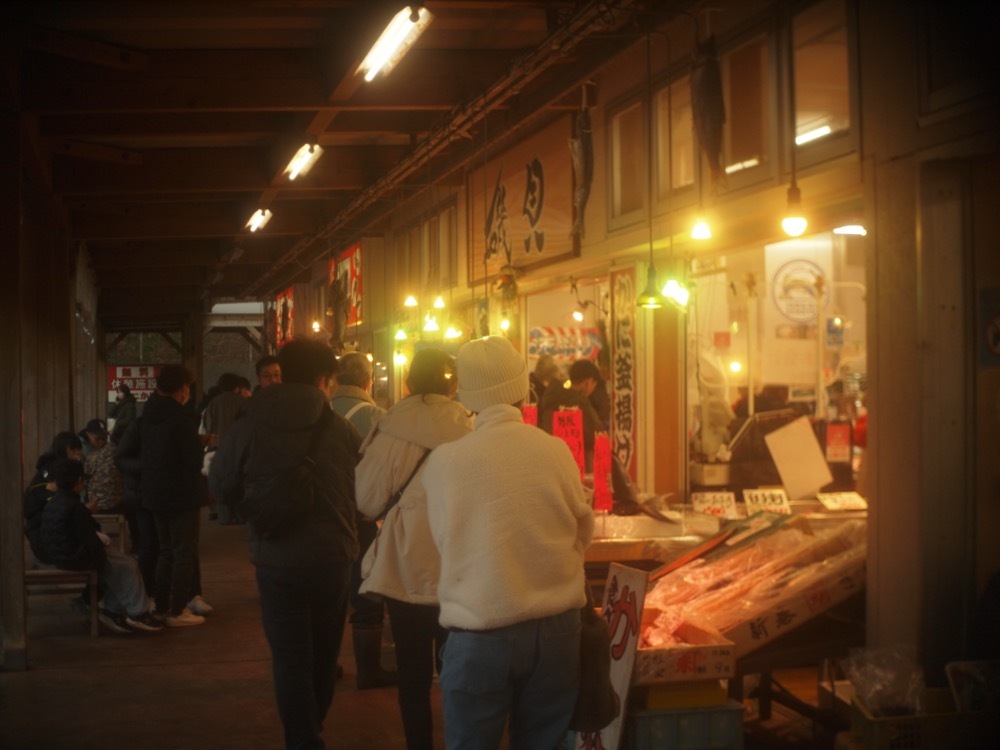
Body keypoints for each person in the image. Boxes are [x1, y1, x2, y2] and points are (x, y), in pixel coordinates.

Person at [422, 336, 594, 750]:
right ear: (522, 389)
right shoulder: (555, 450)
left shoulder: (445, 461)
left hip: (480, 630)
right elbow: (581, 531)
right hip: (557, 629)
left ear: (466, 395)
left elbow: (444, 540)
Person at [210, 339, 362, 750]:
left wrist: (255, 506)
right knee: (324, 654)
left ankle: (302, 739)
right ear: (323, 380)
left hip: (276, 556)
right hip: (332, 557)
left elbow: (221, 484)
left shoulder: (250, 422)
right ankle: (312, 728)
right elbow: (365, 486)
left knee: (290, 657)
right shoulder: (340, 428)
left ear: (283, 373)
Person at [355, 348, 472, 750]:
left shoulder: (389, 428)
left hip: (405, 567)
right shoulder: (473, 430)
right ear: (454, 386)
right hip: (460, 567)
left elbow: (367, 500)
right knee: (459, 673)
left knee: (412, 675)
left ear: (408, 382)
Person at [36, 458, 164, 635]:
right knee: (128, 566)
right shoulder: (75, 507)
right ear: (78, 482)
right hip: (76, 558)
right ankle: (138, 613)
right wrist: (101, 561)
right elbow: (91, 541)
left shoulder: (55, 502)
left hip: (60, 555)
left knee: (121, 565)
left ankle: (113, 610)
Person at [329, 351, 395, 690]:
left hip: (325, 513)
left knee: (329, 593)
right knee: (366, 589)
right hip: (363, 514)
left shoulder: (320, 411)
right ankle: (369, 671)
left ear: (336, 380)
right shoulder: (375, 416)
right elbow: (386, 468)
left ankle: (325, 666)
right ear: (368, 381)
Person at [141, 363, 212, 626]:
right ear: (182, 388)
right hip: (181, 494)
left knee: (166, 551)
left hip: (155, 493)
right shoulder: (180, 417)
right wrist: (199, 445)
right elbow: (192, 460)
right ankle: (178, 609)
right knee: (184, 552)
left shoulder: (150, 412)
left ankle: (161, 606)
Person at [24, 432, 85, 562]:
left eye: (79, 449)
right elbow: (60, 509)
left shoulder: (62, 468)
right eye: (73, 449)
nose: (78, 453)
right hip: (45, 542)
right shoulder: (55, 471)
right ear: (62, 449)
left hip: (51, 540)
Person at [114, 415, 158, 594]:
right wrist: (148, 466)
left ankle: (154, 589)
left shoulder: (174, 422)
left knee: (155, 544)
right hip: (140, 495)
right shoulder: (139, 425)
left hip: (153, 494)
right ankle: (145, 591)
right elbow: (120, 459)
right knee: (148, 543)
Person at [538, 358, 605, 471]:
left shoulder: (550, 398)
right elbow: (595, 435)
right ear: (588, 382)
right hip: (579, 467)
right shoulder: (580, 403)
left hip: (550, 463)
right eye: (594, 384)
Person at [200, 372, 248, 524]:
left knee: (221, 483)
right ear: (237, 387)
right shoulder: (244, 402)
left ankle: (224, 516)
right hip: (239, 448)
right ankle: (240, 516)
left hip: (218, 448)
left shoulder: (213, 403)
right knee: (239, 482)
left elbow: (208, 426)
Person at [80, 418, 125, 513]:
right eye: (97, 437)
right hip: (115, 504)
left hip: (98, 506)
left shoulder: (93, 457)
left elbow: (85, 479)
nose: (100, 441)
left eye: (103, 437)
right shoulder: (117, 451)